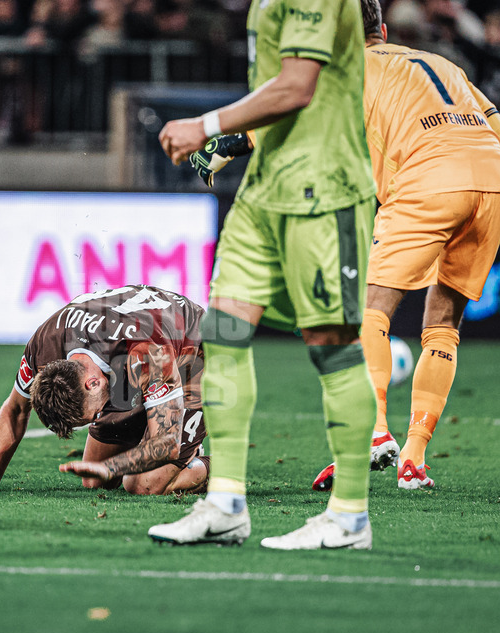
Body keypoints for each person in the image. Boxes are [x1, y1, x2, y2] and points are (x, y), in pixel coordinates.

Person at [149, 0, 378, 550]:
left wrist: (205, 126)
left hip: (322, 194)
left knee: (332, 348)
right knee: (222, 334)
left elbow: (297, 86)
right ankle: (226, 504)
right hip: (263, 193)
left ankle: (350, 515)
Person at [316, 0, 500, 490]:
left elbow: (289, 116)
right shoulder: (442, 64)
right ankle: (414, 458)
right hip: (493, 184)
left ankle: (374, 430)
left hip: (429, 178)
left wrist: (230, 141)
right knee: (443, 324)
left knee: (370, 310)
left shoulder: (344, 68)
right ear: (382, 27)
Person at [0, 285, 209, 496]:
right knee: (95, 481)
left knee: (142, 484)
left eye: (95, 415)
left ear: (92, 383)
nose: (99, 418)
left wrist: (110, 466)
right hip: (128, 357)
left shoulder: (147, 352)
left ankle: (220, 466)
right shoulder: (44, 346)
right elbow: (16, 410)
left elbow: (166, 442)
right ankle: (169, 438)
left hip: (194, 352)